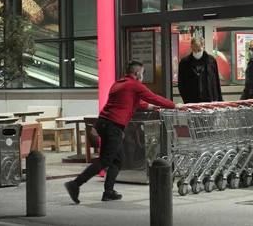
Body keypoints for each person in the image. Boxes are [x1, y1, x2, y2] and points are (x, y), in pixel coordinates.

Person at [64, 60, 176, 204]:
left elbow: (134, 101)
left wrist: (151, 107)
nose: (142, 76)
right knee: (106, 160)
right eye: (142, 73)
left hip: (103, 123)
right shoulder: (134, 85)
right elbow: (153, 97)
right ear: (137, 73)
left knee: (117, 159)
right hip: (113, 126)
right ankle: (75, 184)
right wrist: (174, 105)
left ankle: (108, 192)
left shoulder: (119, 84)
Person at [177, 36, 222, 103]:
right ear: (191, 47)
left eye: (199, 50)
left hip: (210, 100)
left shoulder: (211, 61)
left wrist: (219, 100)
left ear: (203, 47)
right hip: (192, 100)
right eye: (194, 50)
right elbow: (181, 84)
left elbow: (216, 81)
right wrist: (186, 99)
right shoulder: (184, 63)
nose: (196, 52)